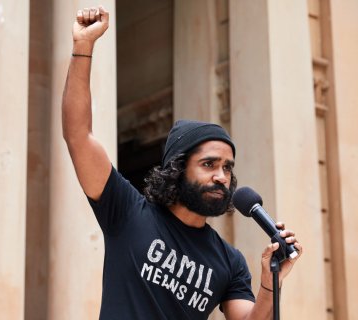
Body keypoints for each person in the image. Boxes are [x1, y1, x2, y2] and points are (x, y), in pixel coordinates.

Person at [62, 5, 303, 320]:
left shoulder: (230, 262)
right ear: (177, 168)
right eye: (209, 164)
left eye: (228, 168)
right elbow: (79, 135)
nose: (222, 176)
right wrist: (83, 47)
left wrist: (272, 279)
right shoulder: (126, 211)